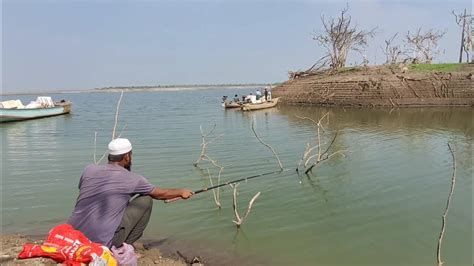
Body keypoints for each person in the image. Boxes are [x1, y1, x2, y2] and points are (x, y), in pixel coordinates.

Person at [68, 138, 194, 248]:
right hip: (100, 243)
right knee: (146, 199)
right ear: (127, 157)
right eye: (131, 155)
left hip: (71, 237)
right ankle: (125, 245)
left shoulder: (89, 170)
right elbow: (159, 194)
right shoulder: (133, 179)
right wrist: (181, 191)